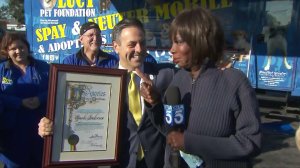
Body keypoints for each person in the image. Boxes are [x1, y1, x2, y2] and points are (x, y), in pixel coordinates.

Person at [39, 18, 175, 168]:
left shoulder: (166, 75)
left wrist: (156, 102)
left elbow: (176, 123)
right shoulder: (101, 83)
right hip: (120, 163)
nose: (139, 49)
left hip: (157, 163)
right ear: (116, 47)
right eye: (132, 44)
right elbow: (78, 119)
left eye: (142, 43)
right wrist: (52, 127)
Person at [142, 7, 262, 168]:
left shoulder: (235, 82)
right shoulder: (178, 79)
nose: (171, 49)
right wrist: (155, 104)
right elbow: (169, 130)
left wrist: (190, 142)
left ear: (200, 41)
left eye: (178, 42)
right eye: (172, 43)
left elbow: (250, 143)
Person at [0, 33, 50, 168]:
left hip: (40, 130)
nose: (18, 51)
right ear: (7, 51)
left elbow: (55, 89)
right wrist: (18, 102)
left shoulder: (43, 67)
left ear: (27, 48)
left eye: (21, 47)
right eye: (13, 49)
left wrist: (40, 99)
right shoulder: (2, 70)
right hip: (12, 133)